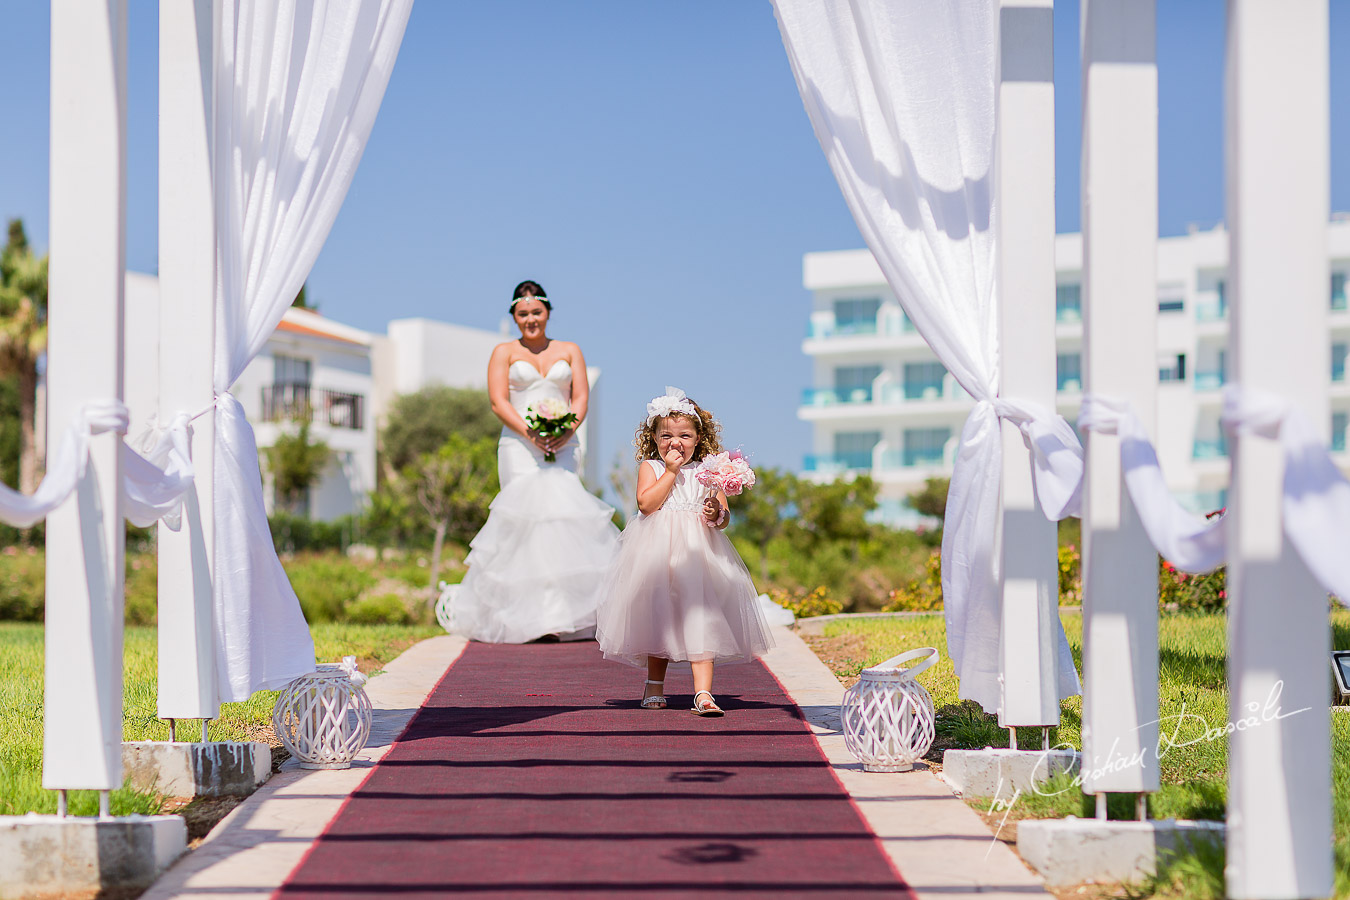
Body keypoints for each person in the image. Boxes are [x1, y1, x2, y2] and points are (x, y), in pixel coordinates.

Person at [447, 280, 620, 643]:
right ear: (514, 315)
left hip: (564, 444)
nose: (530, 319)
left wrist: (565, 432)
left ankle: (564, 616)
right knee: (524, 522)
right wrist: (531, 433)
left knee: (563, 521)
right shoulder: (503, 351)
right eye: (522, 314)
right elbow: (498, 401)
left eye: (536, 312)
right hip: (519, 447)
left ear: (548, 313)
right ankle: (519, 617)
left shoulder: (570, 349)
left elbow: (581, 398)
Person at [594, 387, 774, 716]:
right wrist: (672, 471)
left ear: (698, 438)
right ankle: (654, 685)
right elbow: (646, 505)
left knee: (702, 615)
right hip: (658, 553)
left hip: (698, 554)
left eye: (684, 435)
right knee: (658, 615)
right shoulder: (652, 467)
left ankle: (704, 693)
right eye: (666, 435)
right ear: (654, 438)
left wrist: (715, 513)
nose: (675, 443)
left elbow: (722, 516)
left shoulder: (710, 471)